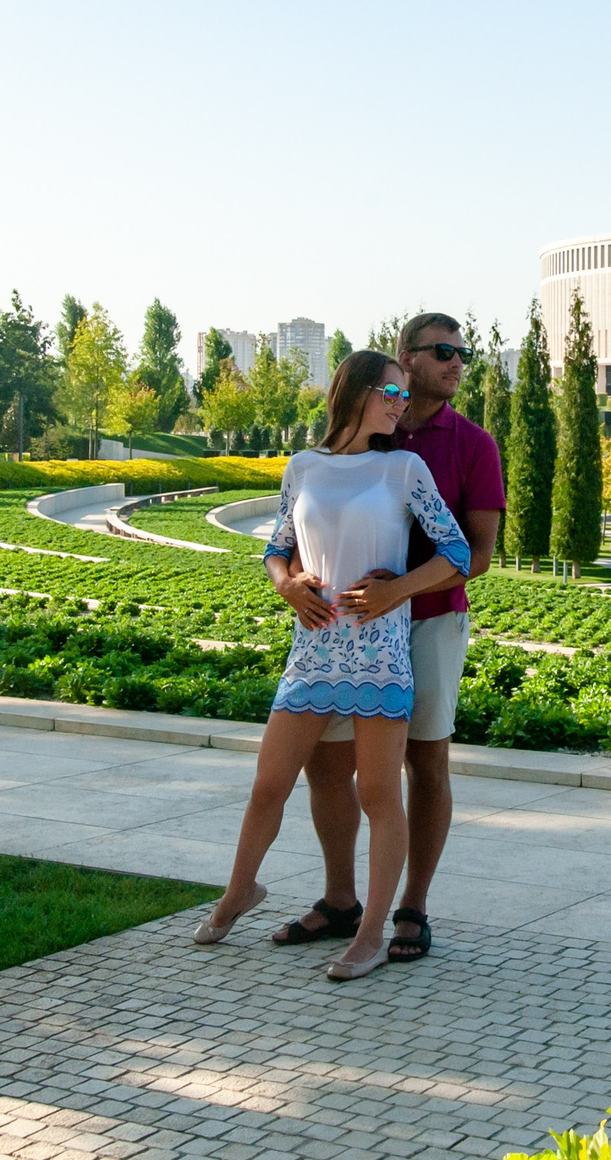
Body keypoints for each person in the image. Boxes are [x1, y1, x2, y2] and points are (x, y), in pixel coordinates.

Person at [195, 349, 473, 980]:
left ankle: (370, 932)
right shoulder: (303, 467)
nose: (401, 406)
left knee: (378, 792)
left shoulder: (404, 468)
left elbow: (457, 553)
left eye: (405, 396)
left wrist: (395, 590)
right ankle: (241, 890)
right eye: (392, 394)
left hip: (379, 652)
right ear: (355, 393)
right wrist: (286, 585)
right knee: (270, 782)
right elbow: (276, 548)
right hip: (313, 650)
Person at [275, 314, 503, 965]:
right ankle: (342, 900)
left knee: (424, 762)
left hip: (429, 622)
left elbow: (478, 554)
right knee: (326, 764)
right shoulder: (356, 440)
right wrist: (290, 581)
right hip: (345, 631)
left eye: (463, 353)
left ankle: (411, 907)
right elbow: (292, 537)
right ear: (404, 360)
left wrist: (395, 590)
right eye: (443, 352)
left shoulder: (472, 444)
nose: (457, 362)